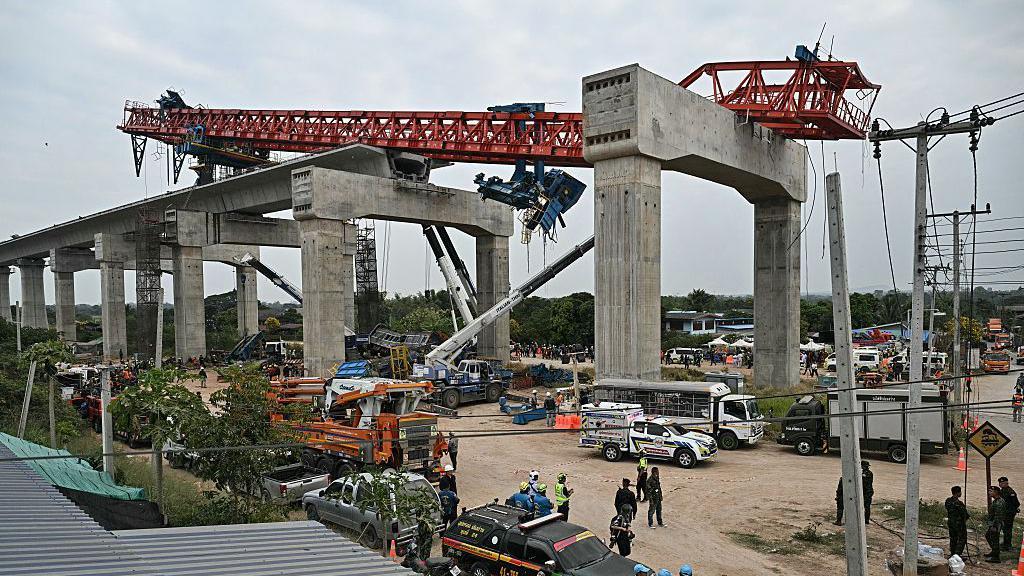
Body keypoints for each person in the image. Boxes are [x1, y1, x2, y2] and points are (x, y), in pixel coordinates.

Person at [945, 486, 969, 557]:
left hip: (951, 522)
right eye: (960, 492)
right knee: (962, 539)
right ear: (958, 493)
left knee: (953, 539)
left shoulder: (948, 501)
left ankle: (953, 553)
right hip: (959, 524)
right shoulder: (959, 503)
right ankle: (957, 555)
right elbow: (964, 514)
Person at [998, 476, 1019, 551]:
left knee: (1008, 529)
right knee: (1005, 529)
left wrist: (1013, 510)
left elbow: (1016, 503)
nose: (1001, 484)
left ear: (1006, 483)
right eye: (1000, 483)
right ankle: (1005, 543)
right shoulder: (1002, 491)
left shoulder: (1010, 492)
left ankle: (1008, 546)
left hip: (1009, 514)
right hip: (1005, 513)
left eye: (1003, 483)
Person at [985, 485, 1006, 562]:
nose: (989, 492)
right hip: (994, 524)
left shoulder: (999, 503)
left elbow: (998, 517)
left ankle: (996, 557)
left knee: (994, 539)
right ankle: (994, 551)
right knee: (989, 536)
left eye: (991, 491)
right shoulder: (997, 500)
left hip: (996, 524)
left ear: (996, 492)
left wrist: (994, 526)